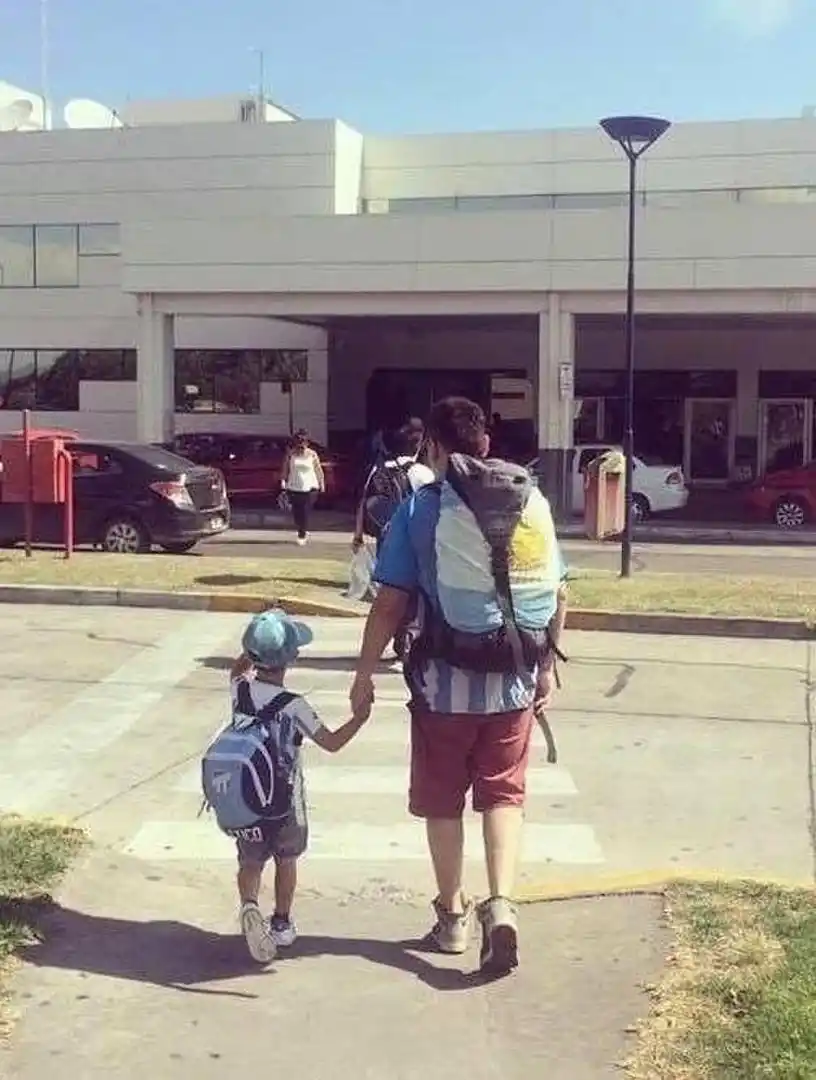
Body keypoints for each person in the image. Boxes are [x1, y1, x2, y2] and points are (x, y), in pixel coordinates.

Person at [349, 396, 568, 976]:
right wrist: (545, 667)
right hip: (514, 682)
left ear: (434, 448)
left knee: (443, 801)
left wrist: (364, 674)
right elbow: (559, 591)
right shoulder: (531, 500)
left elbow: (390, 601)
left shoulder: (421, 509)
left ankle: (452, 917)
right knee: (503, 795)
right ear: (485, 443)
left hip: (442, 687)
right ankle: (503, 907)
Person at [228, 610, 370, 964]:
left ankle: (249, 906)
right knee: (286, 859)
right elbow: (332, 742)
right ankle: (281, 922)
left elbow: (238, 667)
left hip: (246, 798)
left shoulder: (239, 688)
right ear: (290, 658)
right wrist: (359, 718)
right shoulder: (294, 705)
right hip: (285, 802)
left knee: (250, 860)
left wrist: (252, 646)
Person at [352, 417, 428, 558]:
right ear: (419, 444)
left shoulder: (379, 469)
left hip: (385, 541)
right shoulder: (421, 473)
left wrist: (358, 535)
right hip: (411, 547)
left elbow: (363, 501)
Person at [281, 430, 324, 546]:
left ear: (307, 443)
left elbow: (318, 469)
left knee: (305, 511)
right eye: (299, 442)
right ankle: (301, 528)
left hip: (310, 487)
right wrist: (283, 481)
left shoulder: (313, 454)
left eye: (303, 442)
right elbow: (285, 469)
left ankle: (302, 534)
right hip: (294, 486)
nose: (301, 444)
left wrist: (321, 483)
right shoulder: (290, 454)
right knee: (297, 512)